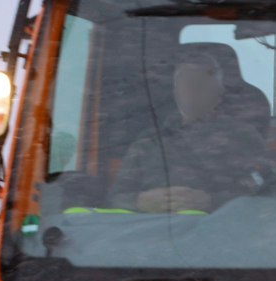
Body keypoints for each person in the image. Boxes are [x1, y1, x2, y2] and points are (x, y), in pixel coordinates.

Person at [111, 48, 267, 213]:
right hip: (154, 231)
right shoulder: (149, 141)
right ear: (175, 91)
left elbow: (262, 189)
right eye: (186, 83)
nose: (192, 91)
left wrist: (212, 201)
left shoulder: (243, 137)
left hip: (222, 229)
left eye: (201, 85)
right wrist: (139, 202)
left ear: (219, 93)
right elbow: (114, 198)